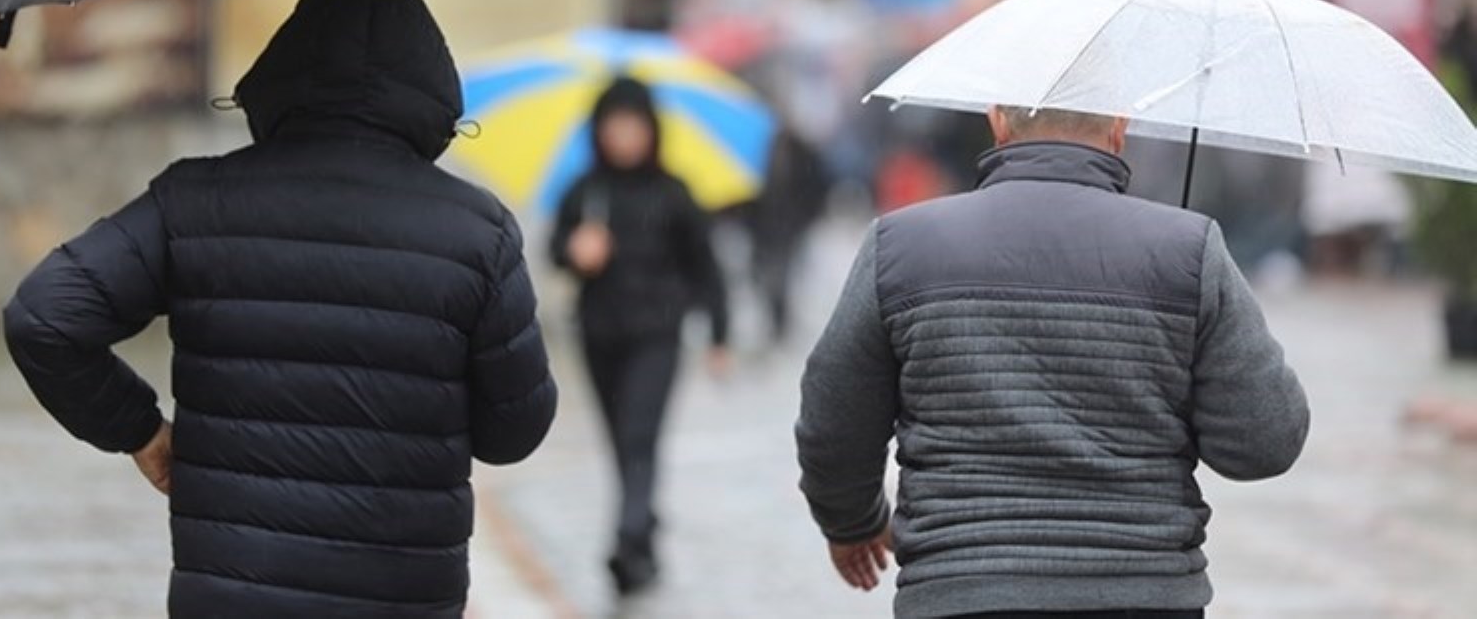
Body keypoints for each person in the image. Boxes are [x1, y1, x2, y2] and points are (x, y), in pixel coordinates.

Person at [4, 0, 558, 617]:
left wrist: (142, 431)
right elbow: (513, 432)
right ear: (431, 83)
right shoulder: (477, 233)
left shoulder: (195, 201)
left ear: (282, 70)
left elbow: (46, 317)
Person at [796, 105, 1310, 618]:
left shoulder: (899, 244)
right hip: (1145, 592)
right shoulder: (1187, 248)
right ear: (1119, 127)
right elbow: (1264, 442)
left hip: (960, 589)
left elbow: (833, 420)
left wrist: (853, 524)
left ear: (998, 123)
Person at [550, 75, 731, 595]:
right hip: (598, 334)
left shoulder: (673, 192)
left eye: (633, 125)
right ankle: (643, 537)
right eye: (614, 125)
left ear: (651, 129)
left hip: (658, 334)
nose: (624, 135)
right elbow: (555, 250)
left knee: (638, 437)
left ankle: (628, 537)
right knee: (619, 442)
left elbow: (707, 268)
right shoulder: (585, 191)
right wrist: (575, 252)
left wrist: (719, 336)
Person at [749, 120, 829, 340]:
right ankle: (776, 320)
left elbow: (815, 189)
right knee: (765, 276)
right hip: (766, 227)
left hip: (788, 226)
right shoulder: (759, 153)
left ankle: (780, 323)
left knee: (781, 276)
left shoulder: (802, 154)